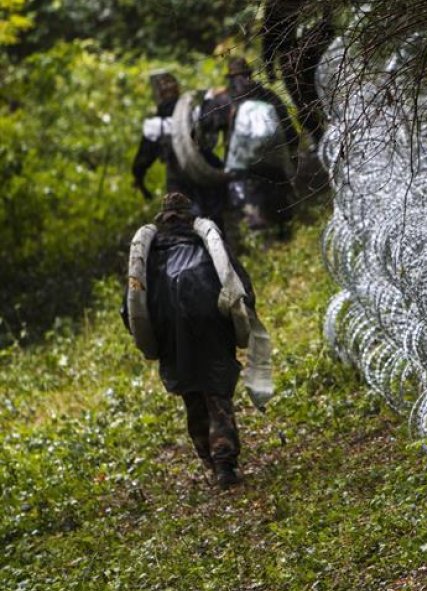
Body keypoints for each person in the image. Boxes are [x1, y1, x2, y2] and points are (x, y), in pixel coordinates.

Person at [121, 192, 256, 489]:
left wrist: (147, 335)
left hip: (171, 333)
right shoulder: (207, 242)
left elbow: (130, 305)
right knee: (216, 394)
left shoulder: (151, 253)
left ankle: (211, 461)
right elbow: (239, 283)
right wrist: (246, 319)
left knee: (192, 397)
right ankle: (224, 465)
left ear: (164, 218)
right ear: (187, 215)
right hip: (211, 325)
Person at [200, 57, 298, 236]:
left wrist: (207, 100)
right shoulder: (269, 96)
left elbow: (205, 124)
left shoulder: (223, 100)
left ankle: (259, 240)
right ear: (250, 74)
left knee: (250, 206)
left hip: (243, 166)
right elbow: (290, 132)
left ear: (229, 77)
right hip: (273, 162)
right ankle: (284, 236)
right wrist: (289, 157)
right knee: (279, 204)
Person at [132, 71, 227, 226]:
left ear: (159, 95)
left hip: (177, 180)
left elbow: (143, 159)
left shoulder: (156, 125)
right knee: (215, 221)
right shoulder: (195, 113)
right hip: (205, 172)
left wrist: (139, 178)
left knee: (181, 223)